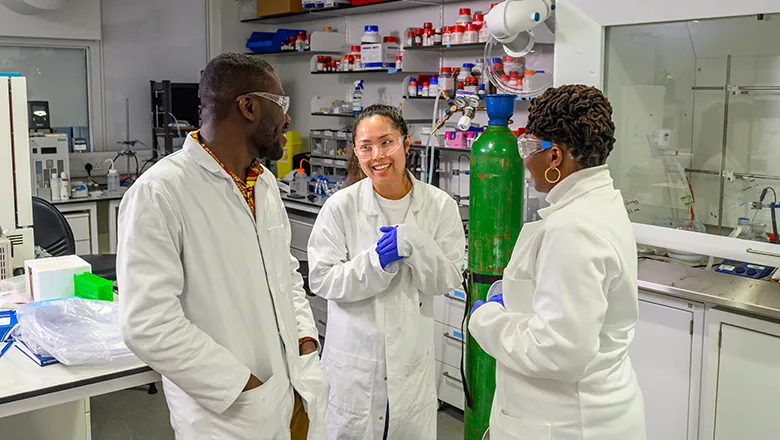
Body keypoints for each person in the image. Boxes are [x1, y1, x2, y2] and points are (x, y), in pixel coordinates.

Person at [117, 53, 328, 440]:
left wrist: (304, 339)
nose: (288, 118)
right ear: (248, 106)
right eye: (280, 104)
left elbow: (286, 274)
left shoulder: (262, 183)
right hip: (229, 413)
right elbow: (147, 323)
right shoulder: (161, 191)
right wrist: (239, 384)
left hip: (294, 392)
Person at [469, 85, 646, 440]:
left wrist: (487, 320)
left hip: (566, 424)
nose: (524, 158)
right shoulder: (598, 204)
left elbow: (558, 351)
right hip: (580, 413)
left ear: (555, 157)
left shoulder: (572, 229)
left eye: (528, 147)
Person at [307, 104, 466, 440]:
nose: (377, 155)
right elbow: (321, 279)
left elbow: (448, 278)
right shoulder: (341, 207)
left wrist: (417, 246)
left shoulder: (440, 206)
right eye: (366, 147)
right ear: (356, 152)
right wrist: (375, 264)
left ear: (407, 144)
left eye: (387, 142)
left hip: (411, 362)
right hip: (354, 365)